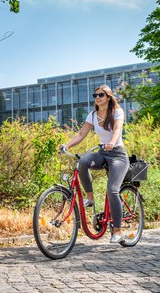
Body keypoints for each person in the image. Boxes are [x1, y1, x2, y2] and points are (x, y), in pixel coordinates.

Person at [60, 85, 130, 243]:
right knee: (83, 162)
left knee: (112, 190)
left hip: (118, 155)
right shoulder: (92, 115)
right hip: (102, 153)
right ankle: (90, 198)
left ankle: (117, 231)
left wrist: (112, 142)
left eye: (101, 95)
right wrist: (67, 145)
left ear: (108, 97)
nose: (97, 97)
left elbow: (118, 130)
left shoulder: (117, 112)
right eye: (95, 95)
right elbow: (81, 133)